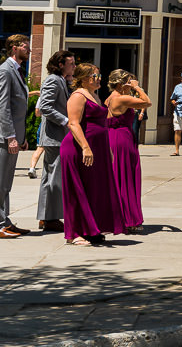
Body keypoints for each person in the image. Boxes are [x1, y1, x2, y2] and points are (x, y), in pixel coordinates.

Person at [60, 63, 124, 245]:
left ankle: (91, 229)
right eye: (95, 76)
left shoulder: (94, 95)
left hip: (97, 149)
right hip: (78, 148)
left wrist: (108, 149)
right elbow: (73, 123)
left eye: (99, 75)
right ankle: (74, 233)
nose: (99, 79)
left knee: (93, 190)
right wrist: (86, 148)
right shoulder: (78, 96)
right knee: (77, 190)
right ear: (84, 78)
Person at [0, 34, 32, 239]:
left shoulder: (17, 70)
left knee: (6, 183)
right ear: (14, 48)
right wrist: (11, 136)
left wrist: (21, 137)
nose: (29, 50)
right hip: (4, 136)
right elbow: (3, 106)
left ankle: (4, 221)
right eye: (25, 46)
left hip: (14, 134)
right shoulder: (5, 70)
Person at [106, 69, 151, 234]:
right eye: (129, 81)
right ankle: (128, 219)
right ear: (121, 83)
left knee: (118, 177)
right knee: (125, 178)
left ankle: (118, 217)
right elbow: (147, 102)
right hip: (123, 140)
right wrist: (138, 88)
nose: (131, 84)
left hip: (113, 138)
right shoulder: (122, 98)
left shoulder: (109, 99)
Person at [35, 50, 75, 232]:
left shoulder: (62, 81)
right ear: (60, 64)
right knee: (53, 178)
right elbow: (45, 107)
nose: (74, 67)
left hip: (57, 137)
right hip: (54, 136)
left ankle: (47, 216)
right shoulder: (53, 80)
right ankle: (49, 218)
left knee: (51, 177)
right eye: (71, 63)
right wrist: (66, 121)